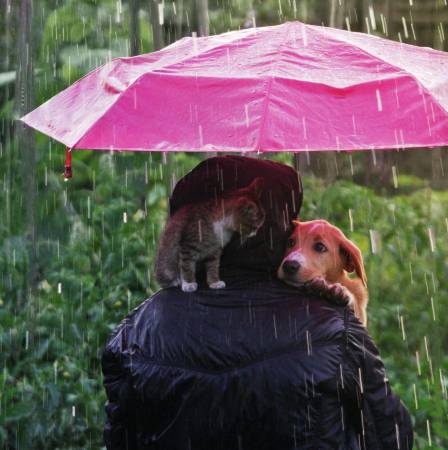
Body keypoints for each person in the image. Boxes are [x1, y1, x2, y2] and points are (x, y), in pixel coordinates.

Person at [102, 156, 413, 449]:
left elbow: (120, 438)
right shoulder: (334, 327)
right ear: (277, 228)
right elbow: (391, 437)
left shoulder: (137, 330)